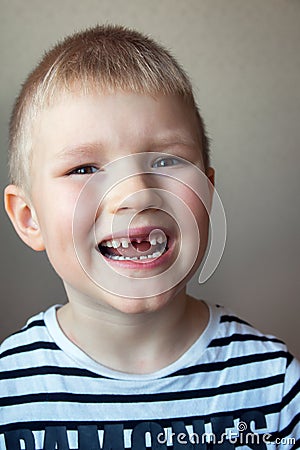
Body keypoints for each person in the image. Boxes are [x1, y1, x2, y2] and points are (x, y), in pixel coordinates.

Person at [0, 25, 298, 450]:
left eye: (165, 160)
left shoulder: (273, 384)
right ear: (30, 218)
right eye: (84, 169)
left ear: (207, 193)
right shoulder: (9, 393)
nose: (135, 193)